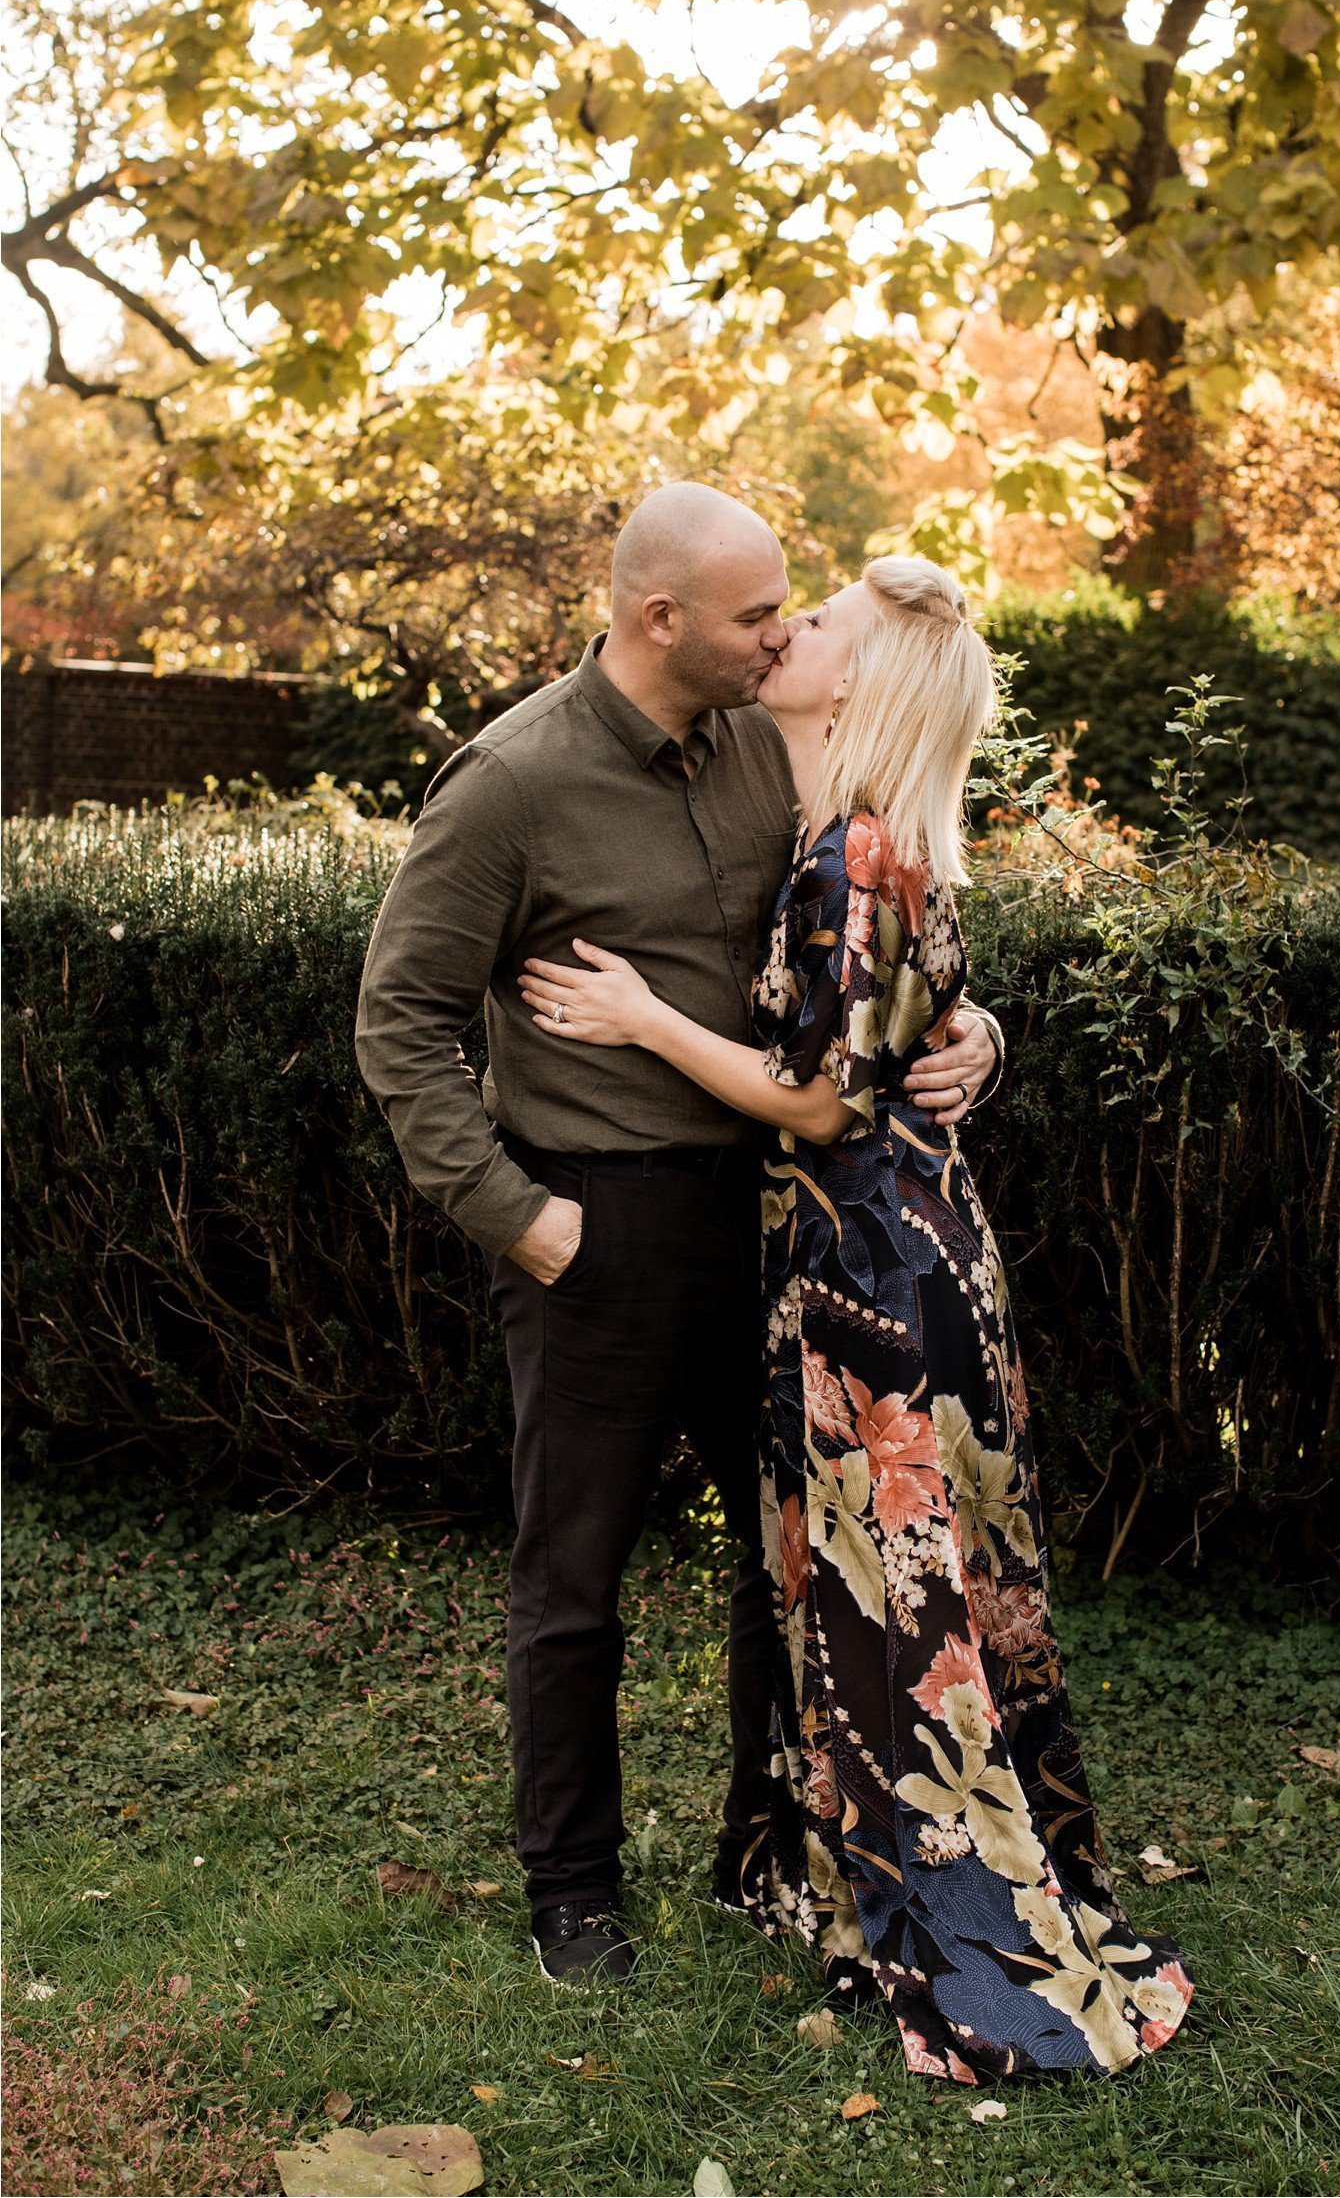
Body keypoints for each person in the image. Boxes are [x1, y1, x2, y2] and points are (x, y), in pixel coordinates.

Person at [517, 553, 1195, 2079]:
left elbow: (820, 1100)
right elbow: (913, 1024)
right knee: (906, 1584)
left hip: (871, 1270)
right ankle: (847, 1864)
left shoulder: (846, 855)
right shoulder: (857, 831)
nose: (787, 632)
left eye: (814, 624)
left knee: (895, 1596)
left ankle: (927, 1904)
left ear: (861, 682)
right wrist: (973, 1032)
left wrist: (637, 1016)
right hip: (916, 1252)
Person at [353, 486, 1001, 1987]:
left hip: (781, 1222)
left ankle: (763, 1842)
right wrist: (526, 1223)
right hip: (599, 1225)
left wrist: (976, 1031)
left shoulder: (761, 748)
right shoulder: (509, 782)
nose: (783, 631)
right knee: (571, 1577)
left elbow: (862, 949)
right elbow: (400, 1026)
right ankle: (573, 1888)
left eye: (792, 610)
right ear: (662, 621)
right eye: (757, 613)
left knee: (789, 1552)